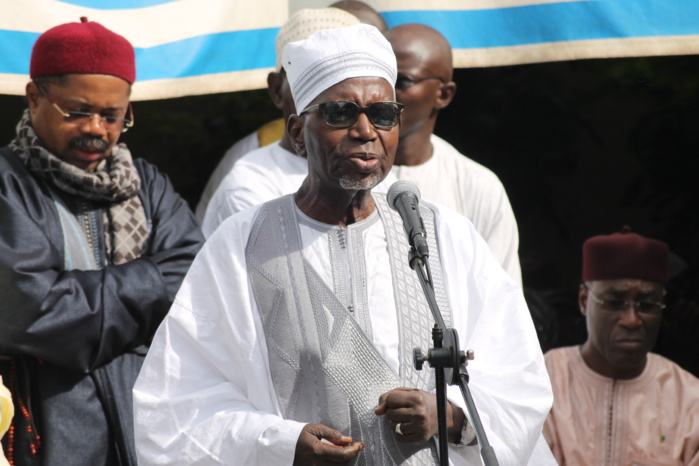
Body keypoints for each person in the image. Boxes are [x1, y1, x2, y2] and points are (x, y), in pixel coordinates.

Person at [134, 24, 552, 465]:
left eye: (384, 114)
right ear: (298, 132)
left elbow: (519, 380)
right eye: (340, 113)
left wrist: (447, 413)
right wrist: (283, 444)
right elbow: (177, 408)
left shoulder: (445, 237)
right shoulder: (242, 245)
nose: (365, 130)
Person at [0, 18, 204, 465]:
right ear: (35, 97)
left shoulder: (146, 183)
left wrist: (79, 300)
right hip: (44, 429)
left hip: (149, 425)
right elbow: (31, 313)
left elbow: (195, 281)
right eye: (77, 111)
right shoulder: (6, 185)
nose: (96, 128)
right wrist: (151, 282)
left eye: (113, 116)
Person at [195, 2, 386, 225]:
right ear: (277, 89)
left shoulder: (381, 175)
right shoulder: (249, 188)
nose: (333, 92)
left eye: (348, 77)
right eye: (311, 78)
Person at [542, 228, 699, 465]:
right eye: (614, 302)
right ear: (584, 300)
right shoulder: (544, 380)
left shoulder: (689, 399)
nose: (632, 320)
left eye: (647, 304)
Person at [384, 24, 522, 286]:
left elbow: (499, 298)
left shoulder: (478, 186)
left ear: (444, 94)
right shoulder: (344, 176)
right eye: (380, 77)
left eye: (401, 81)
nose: (385, 92)